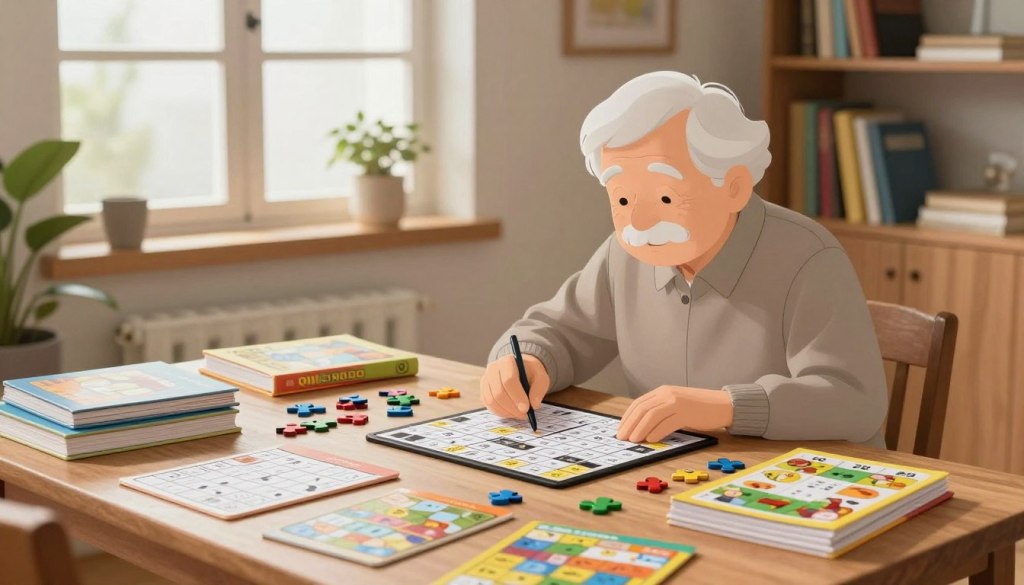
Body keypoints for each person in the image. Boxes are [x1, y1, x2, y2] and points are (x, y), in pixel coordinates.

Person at [480, 71, 888, 447]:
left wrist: (724, 407)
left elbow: (853, 401)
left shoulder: (809, 256)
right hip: (673, 480)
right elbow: (560, 331)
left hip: (801, 488)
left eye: (664, 197)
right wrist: (526, 361)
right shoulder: (624, 255)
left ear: (734, 187)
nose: (638, 220)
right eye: (622, 198)